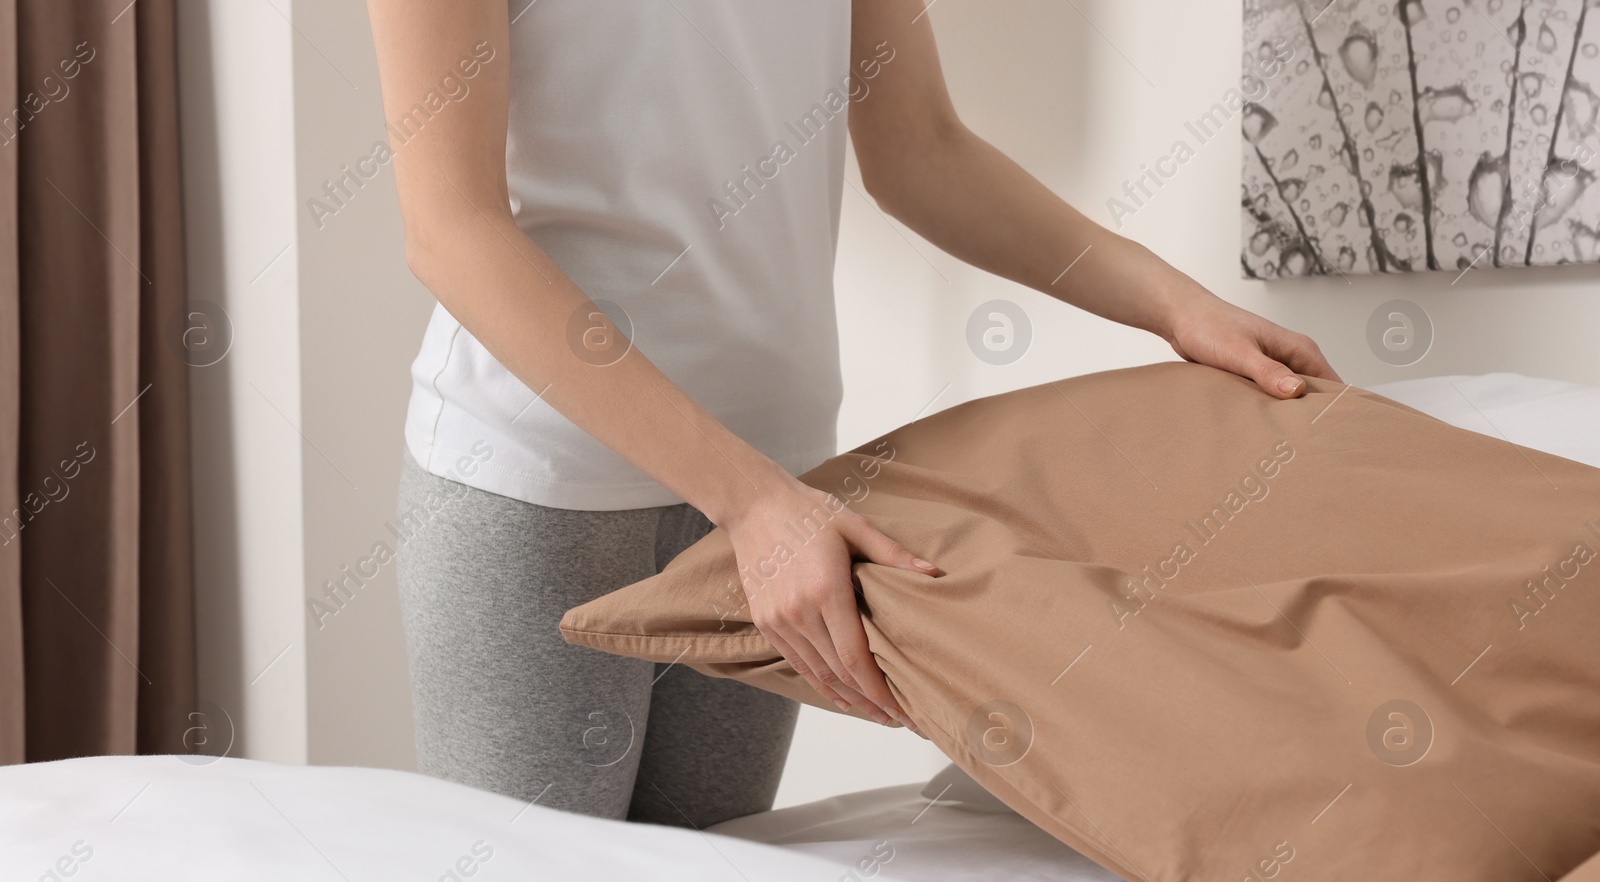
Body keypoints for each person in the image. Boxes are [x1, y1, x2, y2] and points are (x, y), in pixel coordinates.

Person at [367, 0, 1341, 828]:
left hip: (774, 479)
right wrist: (751, 503)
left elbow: (920, 148)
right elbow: (451, 229)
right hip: (544, 489)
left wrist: (1175, 305)